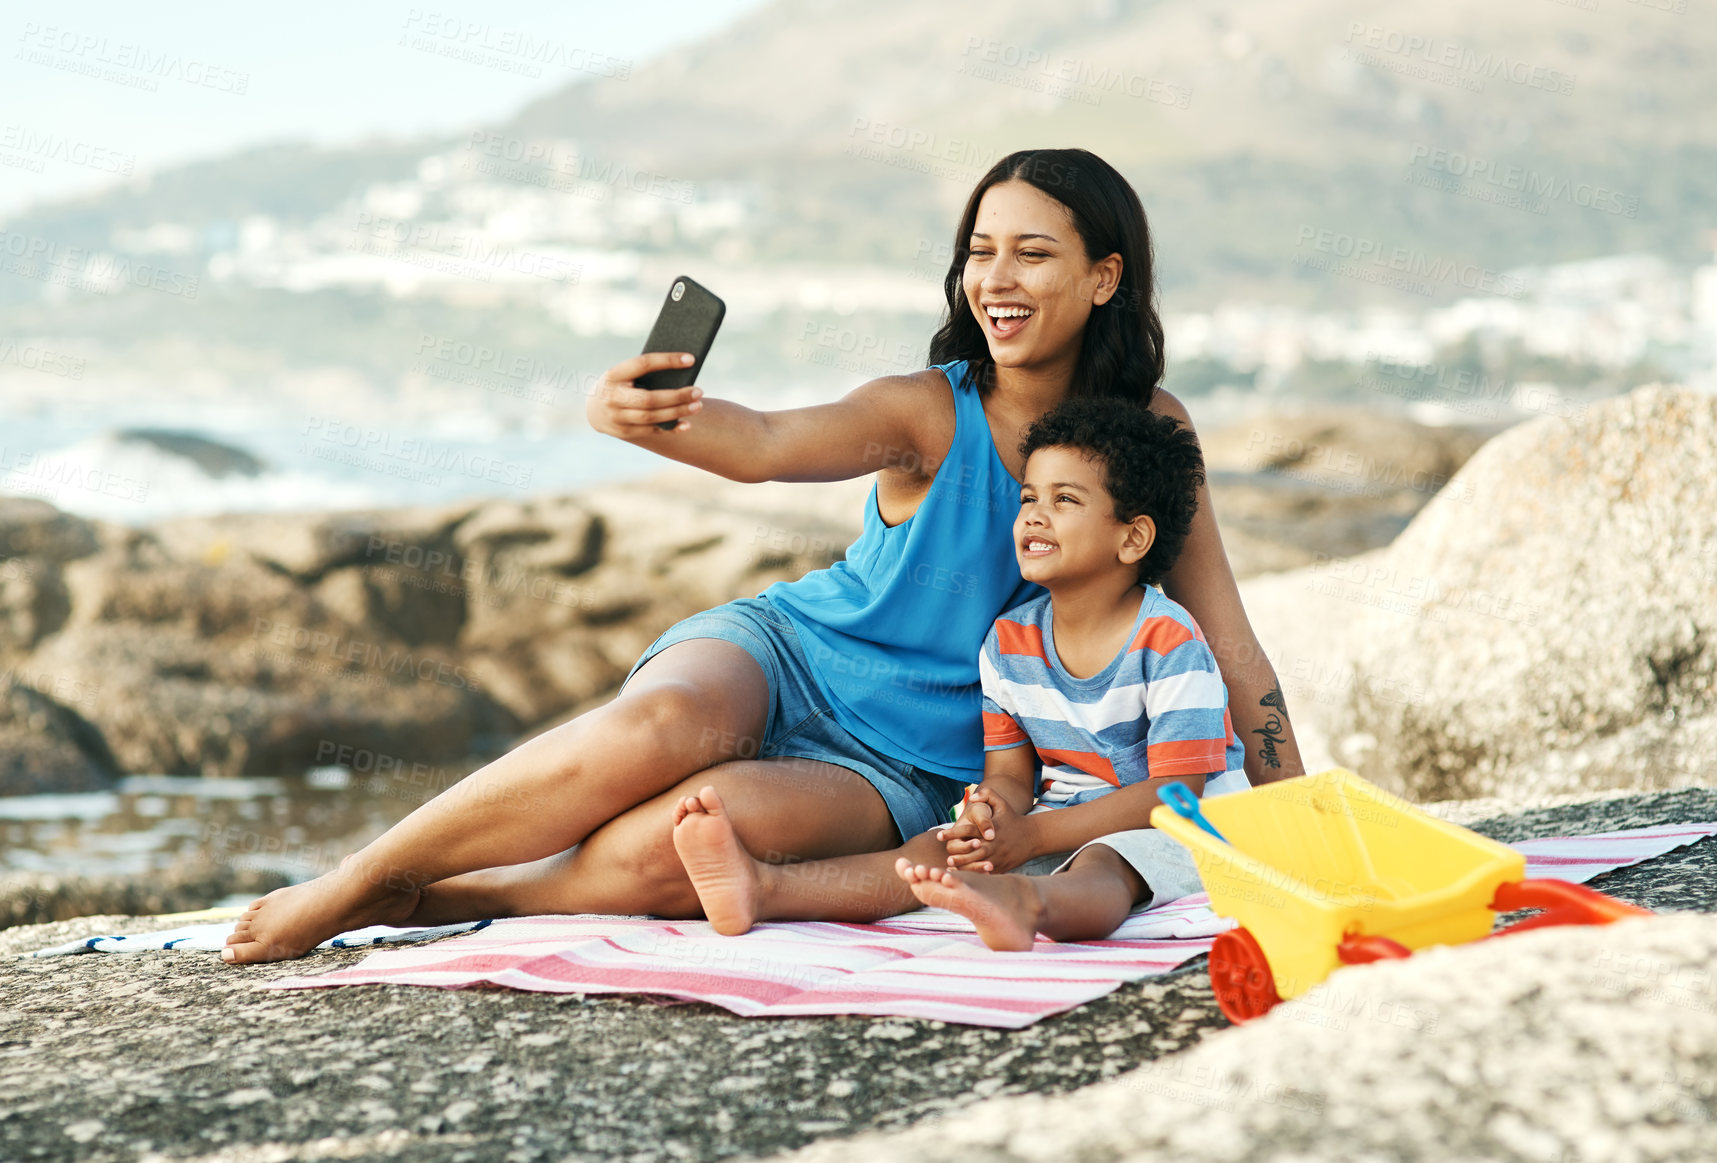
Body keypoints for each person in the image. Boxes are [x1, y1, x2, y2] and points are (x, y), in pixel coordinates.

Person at [221, 147, 1306, 965]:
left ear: (1105, 276)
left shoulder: (1152, 434)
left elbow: (1229, 639)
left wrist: (1294, 816)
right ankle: (360, 877)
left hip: (909, 764)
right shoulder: (928, 410)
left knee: (669, 851)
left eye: (1033, 251)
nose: (997, 278)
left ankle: (450, 897)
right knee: (661, 726)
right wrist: (649, 415)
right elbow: (767, 443)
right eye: (980, 250)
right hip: (791, 651)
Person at [668, 396, 1245, 945]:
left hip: (1181, 822)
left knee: (1106, 861)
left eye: (1065, 500)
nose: (1036, 517)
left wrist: (1035, 836)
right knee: (937, 849)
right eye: (1028, 499)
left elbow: (1176, 791)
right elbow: (1012, 776)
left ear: (1133, 536)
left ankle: (1028, 906)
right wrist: (987, 815)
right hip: (1063, 813)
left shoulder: (1169, 640)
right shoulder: (1010, 641)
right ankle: (763, 889)